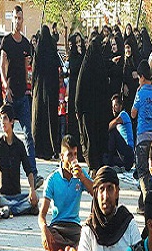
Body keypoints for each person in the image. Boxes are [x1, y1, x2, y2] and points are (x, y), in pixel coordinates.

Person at [0, 5, 39, 181]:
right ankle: (4, 174)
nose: (17, 21)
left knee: (28, 134)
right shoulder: (6, 41)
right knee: (7, 134)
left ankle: (33, 173)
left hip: (22, 95)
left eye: (20, 18)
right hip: (9, 95)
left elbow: (26, 68)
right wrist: (4, 85)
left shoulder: (25, 44)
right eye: (15, 18)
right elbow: (2, 65)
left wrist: (28, 87)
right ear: (12, 19)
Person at [38, 135, 94, 251]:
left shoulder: (81, 174)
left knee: (90, 239)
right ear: (62, 157)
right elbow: (42, 214)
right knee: (50, 239)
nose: (73, 159)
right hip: (58, 226)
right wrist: (44, 229)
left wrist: (83, 178)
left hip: (74, 226)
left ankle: (69, 248)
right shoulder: (52, 180)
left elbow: (96, 193)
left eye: (75, 154)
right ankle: (74, 248)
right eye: (69, 155)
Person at [0, 104, 38, 216]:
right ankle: (20, 209)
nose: (2, 122)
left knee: (36, 198)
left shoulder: (19, 145)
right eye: (1, 119)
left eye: (5, 118)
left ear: (11, 121)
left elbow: (29, 171)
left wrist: (32, 190)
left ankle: (10, 209)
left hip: (17, 195)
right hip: (3, 195)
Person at [75, 33, 111, 176]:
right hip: (100, 112)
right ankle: (98, 164)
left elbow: (79, 87)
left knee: (89, 137)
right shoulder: (101, 67)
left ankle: (92, 165)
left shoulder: (86, 66)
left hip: (88, 111)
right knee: (97, 136)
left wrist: (78, 107)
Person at [131, 60, 152, 212]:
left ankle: (147, 203)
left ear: (142, 77)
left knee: (142, 172)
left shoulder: (140, 93)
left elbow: (133, 114)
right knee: (150, 171)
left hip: (142, 137)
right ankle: (142, 204)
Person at [32, 25, 60, 160]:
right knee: (50, 120)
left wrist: (33, 88)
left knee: (39, 118)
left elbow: (35, 70)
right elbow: (57, 71)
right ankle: (51, 149)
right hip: (50, 91)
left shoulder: (38, 50)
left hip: (39, 90)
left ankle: (38, 148)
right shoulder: (53, 51)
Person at [67, 32, 84, 160]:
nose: (78, 45)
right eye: (76, 42)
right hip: (73, 91)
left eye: (80, 42)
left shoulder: (82, 55)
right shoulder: (73, 57)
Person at [107, 93, 134, 171]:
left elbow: (110, 125)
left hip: (128, 154)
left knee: (113, 132)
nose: (113, 109)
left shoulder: (123, 114)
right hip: (124, 155)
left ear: (120, 106)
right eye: (112, 106)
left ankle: (110, 161)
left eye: (115, 105)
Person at [122, 37, 139, 116]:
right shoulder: (123, 61)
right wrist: (124, 84)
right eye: (125, 48)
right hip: (126, 94)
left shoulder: (137, 59)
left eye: (128, 47)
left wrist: (138, 74)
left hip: (135, 92)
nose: (127, 50)